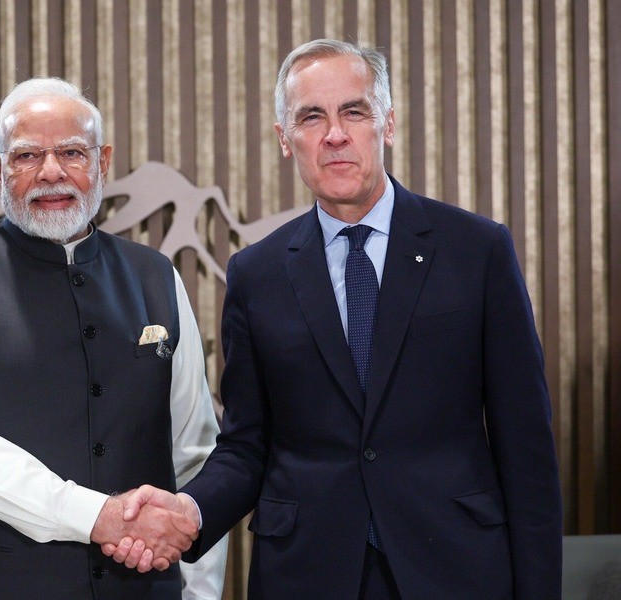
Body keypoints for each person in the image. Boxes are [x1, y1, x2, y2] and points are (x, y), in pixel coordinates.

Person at [107, 39, 563, 599]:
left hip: (454, 568)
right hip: (307, 574)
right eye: (311, 117)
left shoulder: (477, 250)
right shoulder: (256, 273)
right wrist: (191, 510)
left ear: (387, 124)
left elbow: (526, 445)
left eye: (354, 111)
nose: (335, 134)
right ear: (285, 139)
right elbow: (247, 445)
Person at [0, 77, 227, 600]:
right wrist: (97, 515)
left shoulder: (157, 276)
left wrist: (200, 593)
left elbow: (195, 452)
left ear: (103, 162)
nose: (51, 172)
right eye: (27, 155)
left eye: (72, 152)